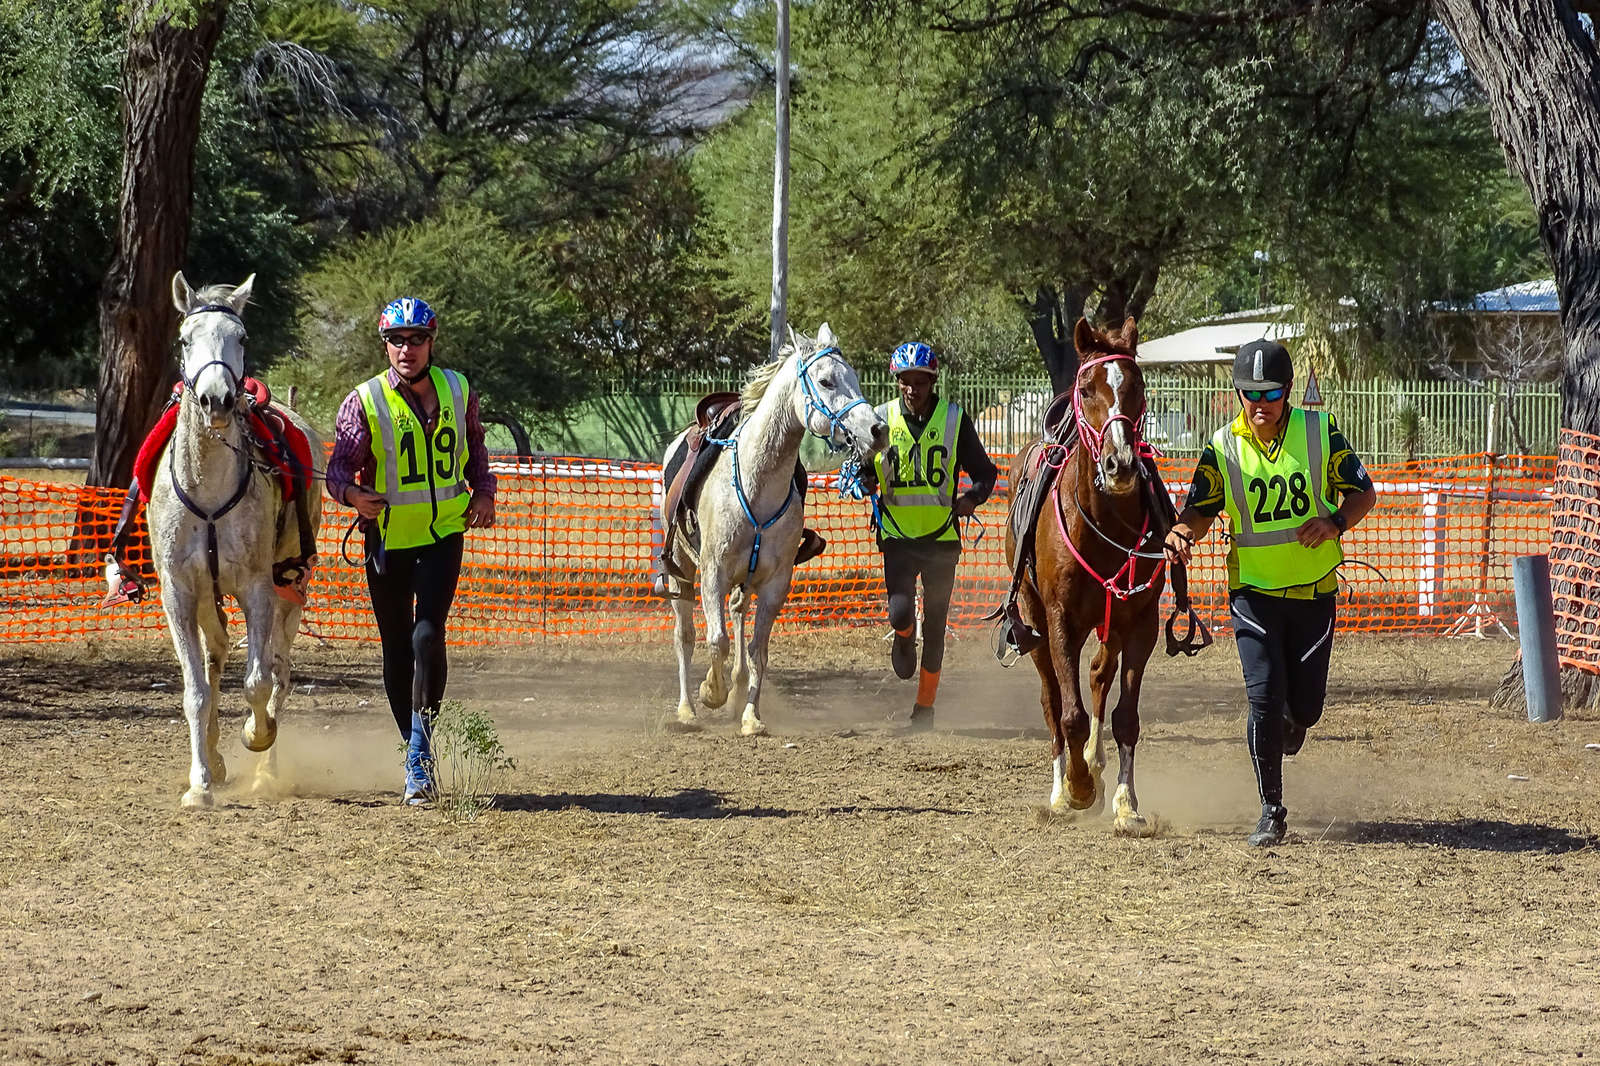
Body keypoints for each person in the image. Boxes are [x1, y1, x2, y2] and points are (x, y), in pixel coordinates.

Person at [1162, 339, 1377, 846]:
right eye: (1250, 393)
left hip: (1313, 593)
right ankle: (1271, 811)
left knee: (1304, 711)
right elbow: (1200, 509)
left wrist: (1335, 523)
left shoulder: (1319, 430)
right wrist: (1180, 533)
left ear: (1288, 393)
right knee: (1263, 698)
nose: (1260, 403)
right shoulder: (1222, 446)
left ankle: (1292, 721)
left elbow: (1364, 491)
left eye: (1272, 392)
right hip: (1253, 595)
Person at [325, 297, 497, 805]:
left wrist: (484, 492)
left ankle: (420, 756)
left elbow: (476, 452)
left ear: (431, 341)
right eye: (397, 340)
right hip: (388, 541)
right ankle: (414, 749)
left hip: (444, 533)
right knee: (397, 647)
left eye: (417, 338)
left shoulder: (458, 388)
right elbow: (337, 470)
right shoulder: (363, 401)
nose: (407, 349)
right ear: (386, 345)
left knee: (428, 636)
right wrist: (355, 496)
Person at [856, 341, 997, 729]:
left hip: (941, 540)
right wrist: (865, 479)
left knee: (936, 626)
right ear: (897, 382)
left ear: (932, 382)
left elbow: (986, 473)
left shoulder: (954, 419)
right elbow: (861, 468)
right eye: (906, 381)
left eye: (921, 381)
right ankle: (903, 637)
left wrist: (971, 498)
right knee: (900, 612)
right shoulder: (880, 419)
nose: (913, 389)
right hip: (897, 536)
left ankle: (925, 709)